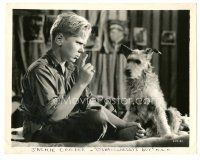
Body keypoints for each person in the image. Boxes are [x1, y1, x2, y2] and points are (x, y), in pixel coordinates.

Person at [20, 12, 145, 142]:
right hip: (42, 130)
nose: (82, 50)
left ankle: (119, 129)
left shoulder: (70, 67)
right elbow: (55, 116)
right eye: (79, 43)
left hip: (66, 121)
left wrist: (124, 124)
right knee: (95, 118)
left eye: (84, 45)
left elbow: (89, 102)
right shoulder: (40, 70)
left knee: (111, 104)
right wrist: (81, 83)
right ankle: (115, 132)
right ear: (59, 39)